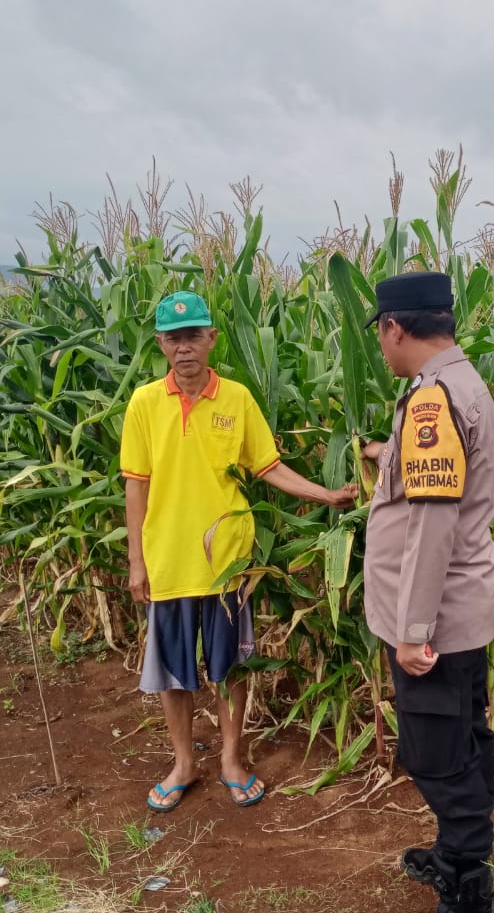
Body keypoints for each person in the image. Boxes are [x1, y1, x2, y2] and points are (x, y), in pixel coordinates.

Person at [120, 289, 356, 813]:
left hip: (227, 565)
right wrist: (138, 561)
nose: (185, 348)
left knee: (230, 670)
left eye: (194, 336)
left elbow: (268, 467)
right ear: (161, 343)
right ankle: (183, 763)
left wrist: (328, 494)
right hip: (169, 563)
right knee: (175, 675)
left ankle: (230, 758)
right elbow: (135, 486)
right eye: (174, 338)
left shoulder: (237, 399)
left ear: (212, 339)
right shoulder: (142, 404)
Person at [360, 271, 494, 913]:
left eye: (381, 335)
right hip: (466, 608)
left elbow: (433, 521)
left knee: (436, 754)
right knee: (463, 736)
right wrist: (383, 454)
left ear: (394, 327)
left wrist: (413, 631)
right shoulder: (455, 384)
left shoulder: (431, 402)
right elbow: (439, 471)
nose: (382, 348)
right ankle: (458, 852)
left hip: (436, 620)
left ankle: (468, 882)